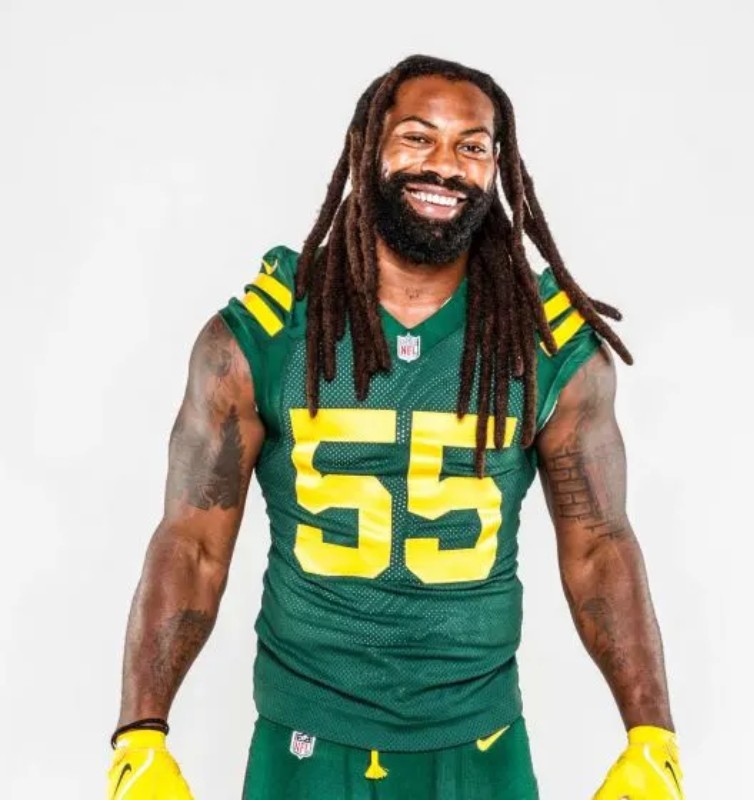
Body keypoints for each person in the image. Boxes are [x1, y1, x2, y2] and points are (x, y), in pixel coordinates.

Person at [107, 54, 684, 800]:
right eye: (417, 137)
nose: (445, 165)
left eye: (472, 146)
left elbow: (600, 545)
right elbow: (192, 544)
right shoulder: (265, 333)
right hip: (305, 737)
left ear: (498, 168)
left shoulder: (547, 342)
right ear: (367, 148)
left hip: (479, 738)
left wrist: (651, 737)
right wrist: (140, 736)